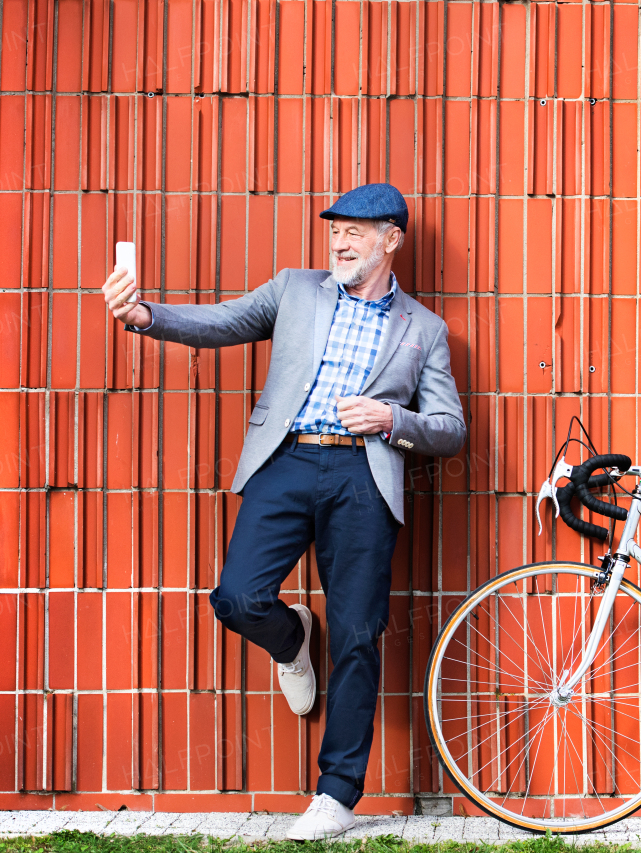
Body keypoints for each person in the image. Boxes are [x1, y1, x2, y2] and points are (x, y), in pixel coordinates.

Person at [100, 184, 465, 840]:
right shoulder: (295, 289)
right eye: (335, 229)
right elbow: (222, 322)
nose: (340, 240)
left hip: (364, 475)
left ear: (392, 239)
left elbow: (450, 427)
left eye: (356, 230)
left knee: (357, 631)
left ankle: (336, 793)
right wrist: (146, 315)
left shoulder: (425, 329)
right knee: (237, 597)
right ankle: (292, 638)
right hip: (287, 460)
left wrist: (393, 418)